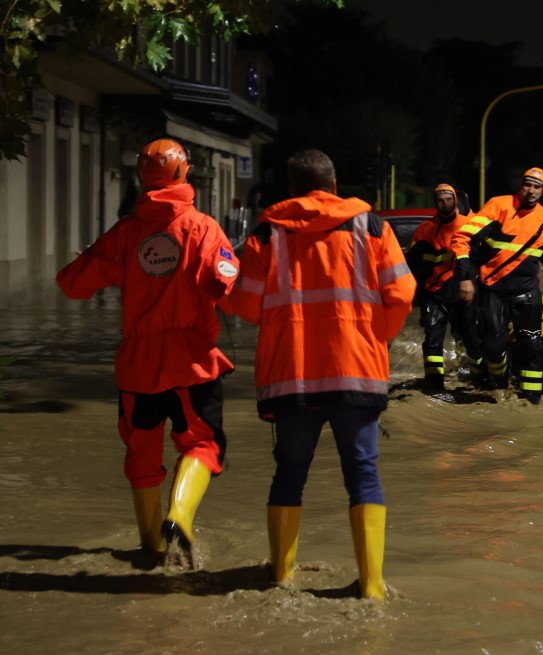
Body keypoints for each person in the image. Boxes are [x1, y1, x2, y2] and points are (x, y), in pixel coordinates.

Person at [219, 149, 415, 600]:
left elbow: (247, 305)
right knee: (363, 473)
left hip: (293, 377)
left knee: (289, 473)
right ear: (333, 183)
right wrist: (375, 336)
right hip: (357, 372)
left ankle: (281, 579)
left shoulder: (268, 233)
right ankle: (371, 587)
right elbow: (402, 291)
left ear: (290, 188)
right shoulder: (372, 226)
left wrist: (219, 286)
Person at [56, 138, 239, 567]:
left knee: (141, 454)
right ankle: (180, 516)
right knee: (202, 444)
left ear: (142, 175)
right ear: (184, 172)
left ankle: (151, 552)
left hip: (137, 368)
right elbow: (233, 293)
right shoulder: (203, 228)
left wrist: (92, 260)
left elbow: (71, 284)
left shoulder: (125, 232)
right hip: (192, 362)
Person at [463, 167, 543, 404]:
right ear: (521, 185)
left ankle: (532, 400)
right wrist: (466, 277)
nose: (531, 190)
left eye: (537, 186)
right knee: (492, 346)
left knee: (532, 345)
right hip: (493, 289)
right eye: (528, 184)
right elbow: (465, 238)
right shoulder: (498, 206)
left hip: (527, 291)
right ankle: (499, 385)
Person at [404, 183, 483, 390]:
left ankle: (479, 380)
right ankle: (433, 385)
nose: (445, 203)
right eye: (440, 200)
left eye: (449, 199)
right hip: (434, 293)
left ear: (455, 201)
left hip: (461, 293)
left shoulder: (469, 225)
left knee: (471, 339)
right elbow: (412, 264)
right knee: (432, 341)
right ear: (435, 202)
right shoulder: (425, 230)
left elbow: (481, 259)